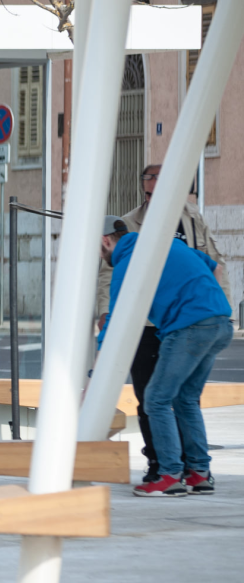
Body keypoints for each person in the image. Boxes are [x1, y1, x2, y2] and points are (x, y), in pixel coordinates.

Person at [97, 163, 231, 483]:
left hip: (186, 327)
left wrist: (96, 371)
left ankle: (169, 474)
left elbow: (115, 318)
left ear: (105, 242)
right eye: (147, 193)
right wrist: (205, 301)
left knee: (156, 399)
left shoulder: (128, 258)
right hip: (216, 321)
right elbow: (212, 266)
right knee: (185, 398)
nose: (151, 198)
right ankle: (199, 472)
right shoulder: (159, 238)